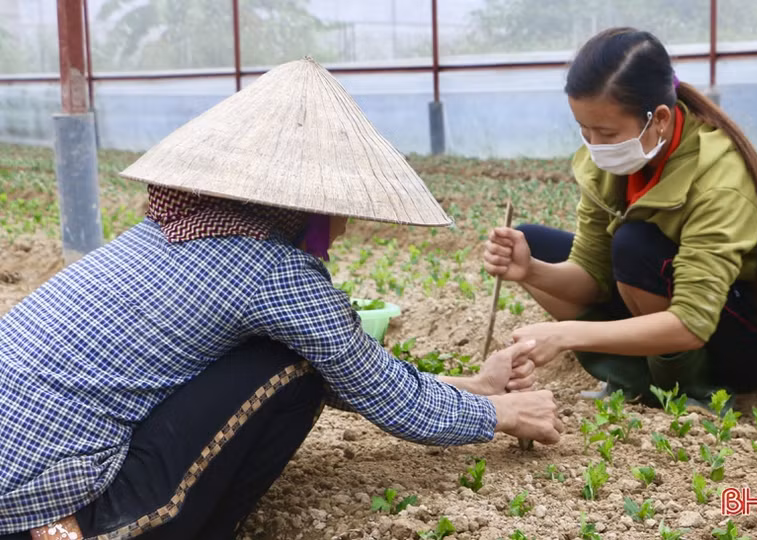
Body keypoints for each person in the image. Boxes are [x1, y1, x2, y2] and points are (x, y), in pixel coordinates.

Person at [0, 59, 562, 540]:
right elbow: (387, 397)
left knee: (291, 359)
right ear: (304, 209)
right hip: (47, 497)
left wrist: (475, 387)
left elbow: (356, 378)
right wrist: (501, 412)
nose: (341, 228)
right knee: (292, 364)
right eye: (337, 210)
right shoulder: (270, 271)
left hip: (14, 474)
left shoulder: (169, 232)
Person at [484, 28, 757, 408]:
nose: (594, 145)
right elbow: (591, 275)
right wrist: (530, 270)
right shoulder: (610, 165)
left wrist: (566, 336)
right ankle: (636, 379)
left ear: (658, 118)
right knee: (531, 242)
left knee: (634, 246)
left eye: (606, 132)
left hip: (749, 335)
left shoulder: (719, 180)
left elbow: (692, 322)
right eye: (584, 129)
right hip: (671, 297)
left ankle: (683, 388)